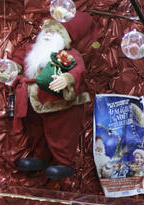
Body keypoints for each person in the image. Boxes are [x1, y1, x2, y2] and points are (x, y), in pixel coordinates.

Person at [11, 12, 96, 179]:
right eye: (47, 31)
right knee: (36, 131)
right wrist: (11, 68)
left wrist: (67, 78)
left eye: (54, 32)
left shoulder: (69, 55)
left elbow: (79, 71)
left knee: (61, 134)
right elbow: (17, 58)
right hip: (33, 102)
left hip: (60, 103)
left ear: (63, 37)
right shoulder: (31, 50)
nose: (49, 34)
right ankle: (40, 157)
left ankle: (64, 163)